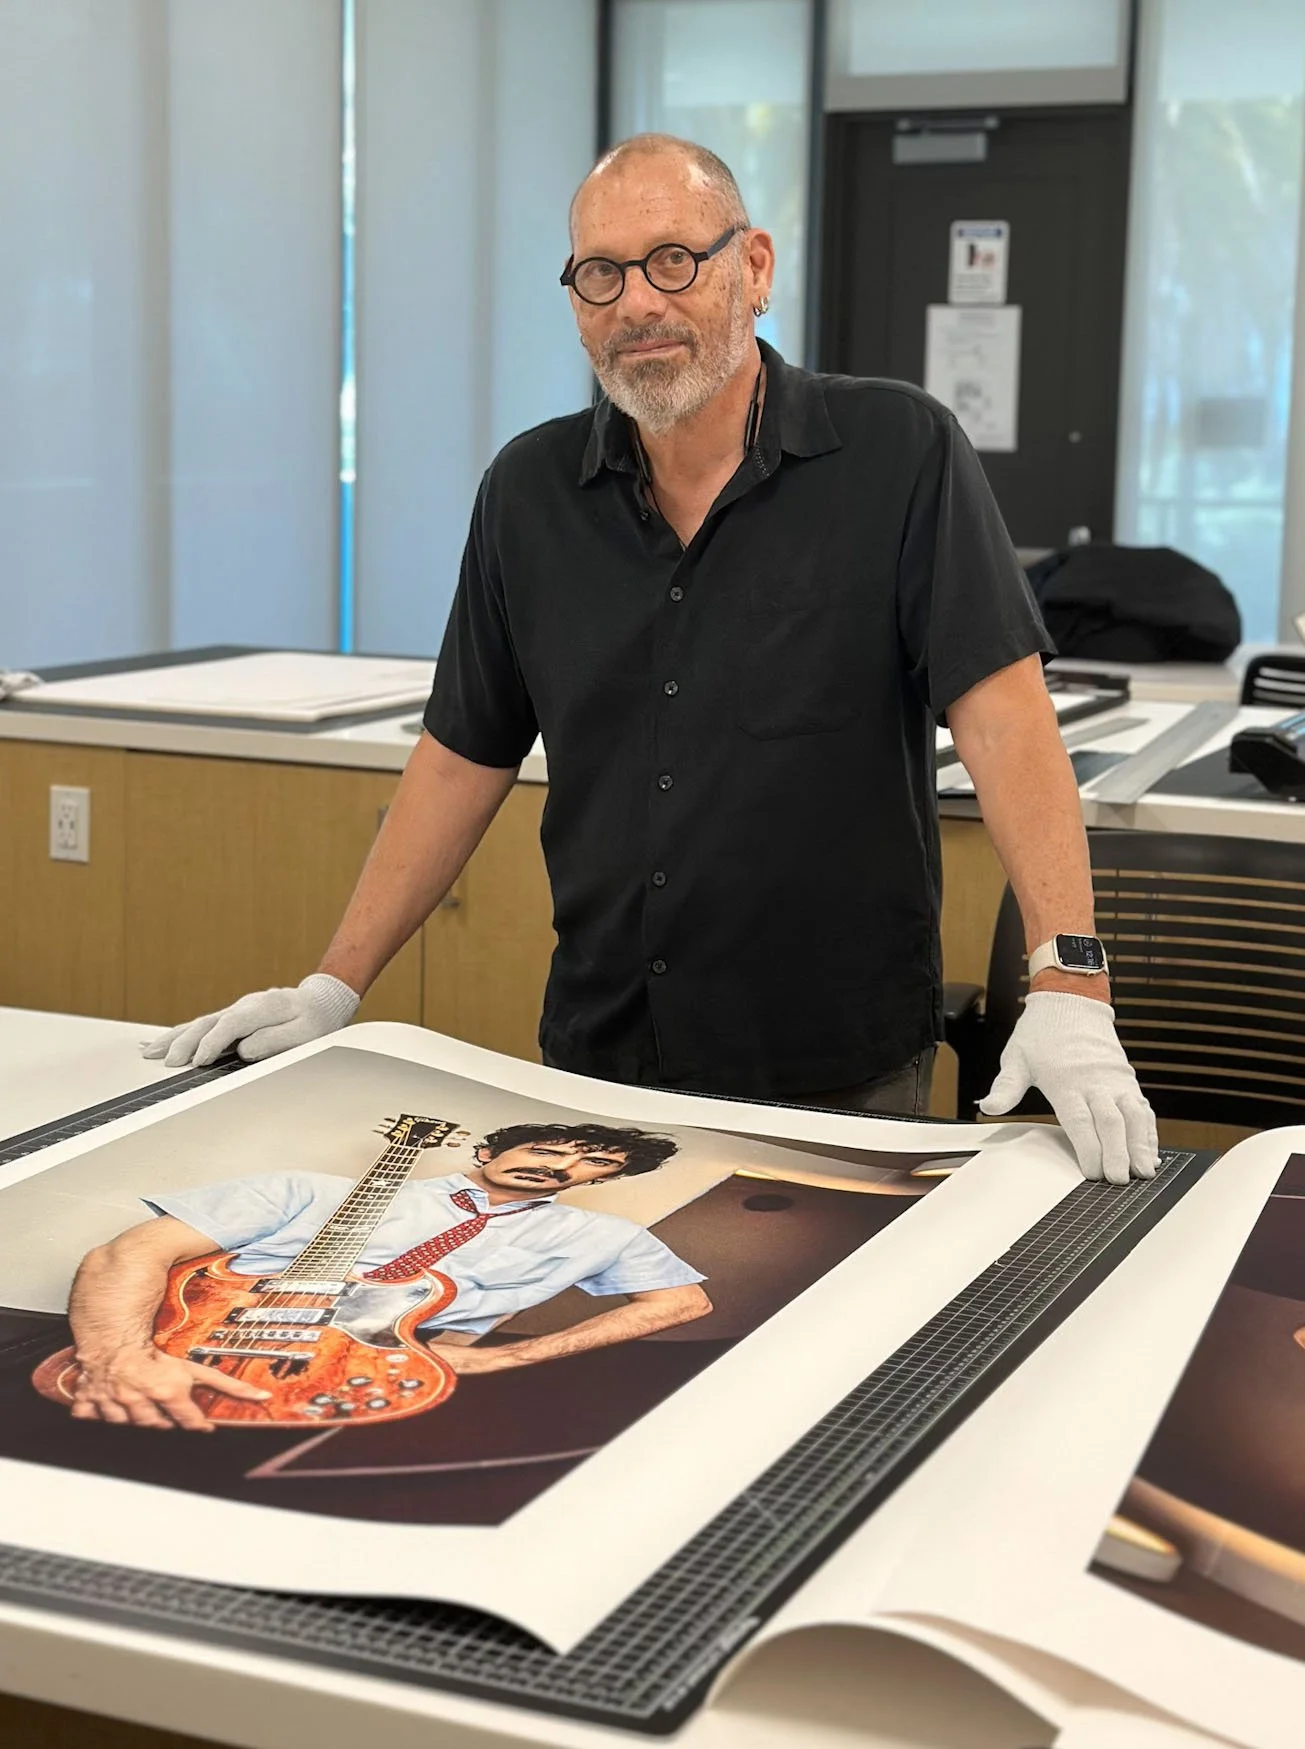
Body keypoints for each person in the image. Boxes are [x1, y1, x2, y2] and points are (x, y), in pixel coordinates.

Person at [144, 133, 1158, 1187]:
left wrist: (1069, 981)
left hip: (833, 1069)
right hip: (597, 1064)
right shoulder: (528, 494)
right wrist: (333, 988)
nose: (637, 303)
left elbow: (1006, 719)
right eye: (601, 273)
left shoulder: (900, 454)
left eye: (674, 258)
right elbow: (461, 757)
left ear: (753, 267)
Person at [62, 1121, 710, 1432]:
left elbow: (681, 1302)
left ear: (606, 1179)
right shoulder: (302, 1187)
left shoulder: (602, 1236)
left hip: (386, 1385)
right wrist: (119, 1357)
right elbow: (125, 1256)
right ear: (487, 1152)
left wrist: (516, 1357)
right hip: (181, 1349)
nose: (561, 1164)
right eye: (545, 1147)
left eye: (591, 1161)